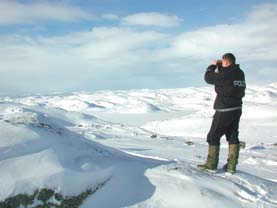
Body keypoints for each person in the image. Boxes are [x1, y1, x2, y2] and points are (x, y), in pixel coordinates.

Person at [197, 53, 246, 174]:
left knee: (213, 136)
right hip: (237, 108)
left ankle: (211, 164)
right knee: (233, 135)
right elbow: (226, 78)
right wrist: (221, 67)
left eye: (223, 62)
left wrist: (212, 66)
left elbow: (208, 78)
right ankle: (231, 166)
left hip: (224, 109)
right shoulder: (240, 73)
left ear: (226, 62)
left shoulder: (226, 73)